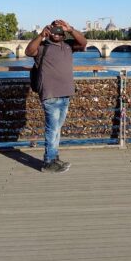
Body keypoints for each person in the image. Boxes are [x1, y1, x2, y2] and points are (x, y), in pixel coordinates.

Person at [25, 19, 87, 173]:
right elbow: (28, 51)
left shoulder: (68, 46)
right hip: (50, 94)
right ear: (49, 30)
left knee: (57, 129)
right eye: (54, 30)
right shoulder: (42, 47)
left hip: (66, 93)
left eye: (60, 30)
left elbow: (83, 42)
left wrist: (70, 29)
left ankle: (54, 157)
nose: (57, 34)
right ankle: (48, 162)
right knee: (52, 129)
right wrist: (41, 36)